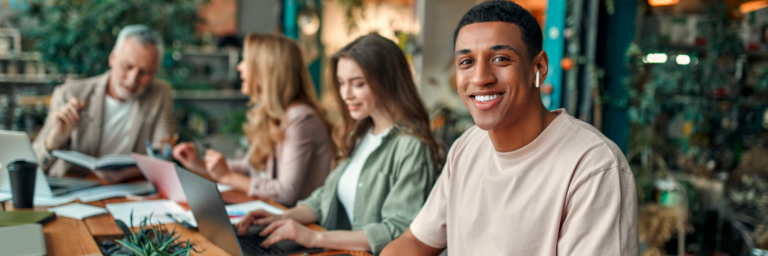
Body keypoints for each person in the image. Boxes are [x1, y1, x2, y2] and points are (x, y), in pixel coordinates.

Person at [381, 1, 639, 255]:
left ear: (538, 67)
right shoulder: (467, 147)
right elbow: (414, 242)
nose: (481, 77)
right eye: (467, 62)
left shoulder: (594, 166)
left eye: (501, 58)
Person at [234, 34, 444, 255]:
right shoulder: (361, 134)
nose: (346, 94)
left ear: (388, 81)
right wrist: (281, 217)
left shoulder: (411, 147)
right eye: (342, 83)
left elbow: (398, 231)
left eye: (358, 84)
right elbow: (325, 196)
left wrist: (314, 237)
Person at [172, 34, 334, 207]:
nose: (240, 67)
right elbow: (249, 167)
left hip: (301, 226)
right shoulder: (274, 115)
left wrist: (227, 176)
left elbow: (286, 192)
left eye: (246, 61)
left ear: (267, 70)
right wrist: (200, 164)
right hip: (276, 215)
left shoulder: (301, 119)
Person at [32, 25, 174, 184]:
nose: (132, 79)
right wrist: (53, 142)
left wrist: (126, 174)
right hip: (73, 189)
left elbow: (163, 158)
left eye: (145, 72)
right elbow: (32, 164)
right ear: (112, 58)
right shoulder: (69, 94)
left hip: (127, 190)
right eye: (127, 66)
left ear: (155, 71)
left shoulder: (160, 94)